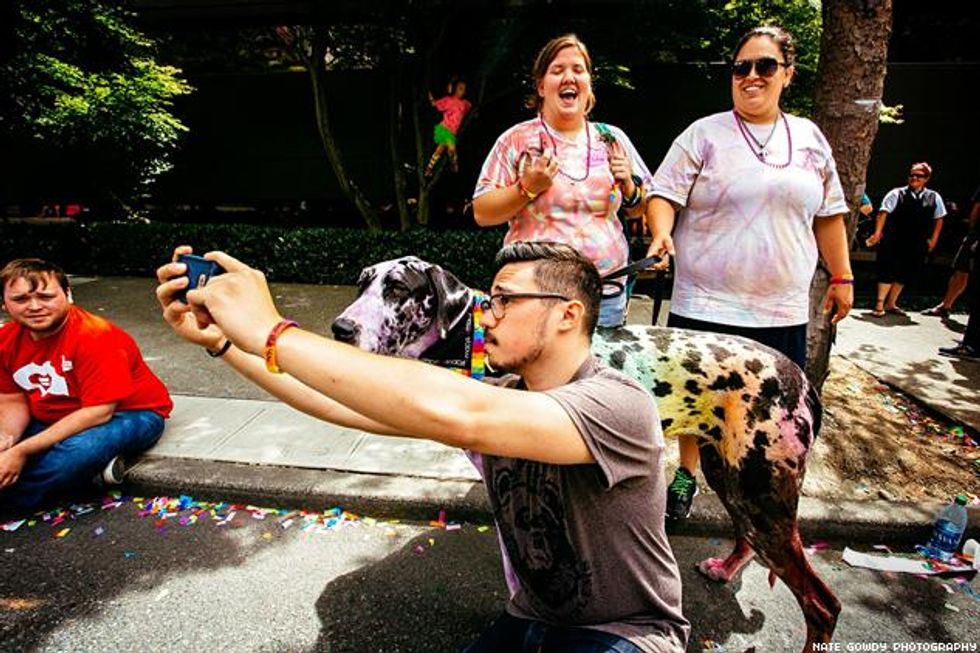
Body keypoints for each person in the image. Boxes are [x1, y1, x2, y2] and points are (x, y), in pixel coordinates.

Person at [155, 242, 689, 653]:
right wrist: (226, 344)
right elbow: (343, 405)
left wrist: (273, 330)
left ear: (569, 315)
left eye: (504, 300)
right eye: (489, 298)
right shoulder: (501, 396)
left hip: (627, 633)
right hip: (531, 618)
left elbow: (461, 411)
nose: (488, 312)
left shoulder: (618, 404)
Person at [644, 25, 853, 522]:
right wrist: (661, 233)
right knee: (697, 406)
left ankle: (757, 499)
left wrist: (842, 276)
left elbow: (829, 213)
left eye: (764, 66)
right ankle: (686, 474)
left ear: (788, 74)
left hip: (780, 308)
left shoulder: (808, 137)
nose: (751, 76)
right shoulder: (704, 133)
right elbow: (663, 194)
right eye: (741, 67)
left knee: (770, 418)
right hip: (706, 304)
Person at [473, 34, 653, 328]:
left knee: (598, 375)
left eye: (578, 70)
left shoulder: (611, 139)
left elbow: (639, 210)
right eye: (558, 70)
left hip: (604, 295)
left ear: (588, 84)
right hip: (534, 296)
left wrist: (631, 189)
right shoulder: (516, 140)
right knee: (538, 375)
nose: (569, 77)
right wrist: (526, 188)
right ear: (541, 86)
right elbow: (481, 212)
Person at [0, 258, 172, 516]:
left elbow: (98, 412)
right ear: (4, 303)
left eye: (46, 296)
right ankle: (88, 478)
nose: (35, 306)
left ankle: (12, 503)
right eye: (21, 299)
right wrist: (7, 440)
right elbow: (12, 401)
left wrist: (21, 450)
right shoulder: (5, 340)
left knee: (79, 450)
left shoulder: (96, 336)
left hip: (131, 413)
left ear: (68, 295)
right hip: (52, 415)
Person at [865, 161, 946, 316]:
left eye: (919, 175)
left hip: (917, 241)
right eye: (912, 175)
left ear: (926, 178)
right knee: (887, 270)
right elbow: (883, 212)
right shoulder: (897, 193)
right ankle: (880, 304)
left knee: (906, 272)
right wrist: (877, 234)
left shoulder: (934, 197)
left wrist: (933, 239)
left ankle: (891, 303)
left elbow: (939, 218)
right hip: (894, 239)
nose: (914, 178)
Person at [922, 184, 978, 318]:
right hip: (976, 235)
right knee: (961, 270)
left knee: (962, 270)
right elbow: (976, 209)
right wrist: (973, 233)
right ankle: (946, 305)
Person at [424, 78, 472, 177]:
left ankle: (429, 169)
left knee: (441, 150)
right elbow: (435, 104)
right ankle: (453, 164)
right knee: (450, 148)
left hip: (452, 132)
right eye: (460, 88)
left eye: (463, 89)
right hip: (445, 128)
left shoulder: (464, 104)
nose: (462, 91)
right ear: (455, 89)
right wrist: (430, 97)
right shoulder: (448, 100)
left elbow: (470, 107)